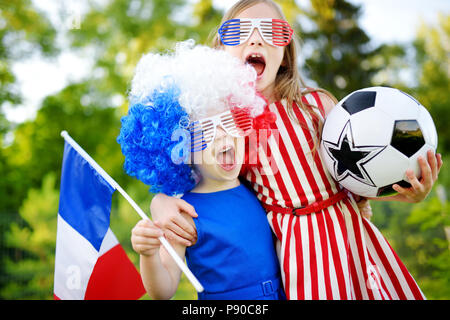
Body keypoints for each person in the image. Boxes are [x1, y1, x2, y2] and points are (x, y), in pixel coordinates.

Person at [150, 0, 443, 300]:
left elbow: (355, 180)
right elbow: (202, 183)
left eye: (271, 31)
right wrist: (160, 202)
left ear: (285, 56)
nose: (255, 38)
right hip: (300, 253)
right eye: (237, 31)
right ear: (220, 55)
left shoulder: (318, 106)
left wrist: (405, 192)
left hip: (352, 239)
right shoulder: (229, 127)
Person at [118, 41, 285, 300]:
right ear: (179, 149)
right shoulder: (183, 214)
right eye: (204, 131)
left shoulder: (257, 185)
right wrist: (148, 254)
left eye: (233, 120)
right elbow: (164, 290)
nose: (223, 135)